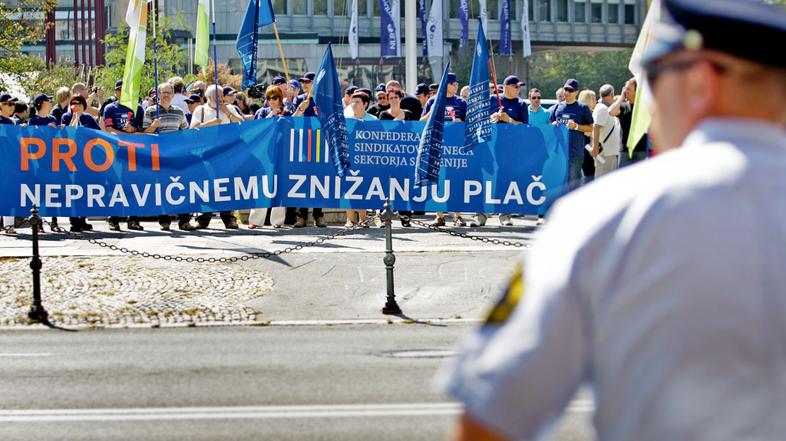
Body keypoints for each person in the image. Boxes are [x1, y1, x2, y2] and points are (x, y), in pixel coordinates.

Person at [439, 1, 786, 441]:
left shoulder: (603, 217)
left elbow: (491, 417)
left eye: (651, 82)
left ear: (700, 83)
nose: (647, 105)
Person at [141, 83, 197, 231]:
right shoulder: (150, 111)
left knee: (183, 186)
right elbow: (144, 134)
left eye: (169, 92)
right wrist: (153, 125)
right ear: (158, 94)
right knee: (162, 187)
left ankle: (184, 220)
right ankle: (164, 220)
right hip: (158, 156)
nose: (166, 95)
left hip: (176, 156)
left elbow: (186, 132)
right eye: (163, 92)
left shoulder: (179, 112)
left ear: (173, 94)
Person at [189, 85, 242, 229]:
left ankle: (228, 217)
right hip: (206, 152)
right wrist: (212, 123)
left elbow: (243, 123)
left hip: (226, 152)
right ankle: (203, 218)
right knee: (206, 185)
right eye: (216, 97)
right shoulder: (200, 110)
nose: (219, 99)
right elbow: (193, 129)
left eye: (220, 96)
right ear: (208, 97)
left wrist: (228, 113)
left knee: (226, 185)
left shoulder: (229, 108)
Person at [421, 73, 468, 227]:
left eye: (457, 84)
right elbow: (421, 122)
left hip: (456, 149)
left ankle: (458, 216)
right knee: (438, 181)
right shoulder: (433, 101)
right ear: (447, 84)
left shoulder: (461, 102)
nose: (456, 86)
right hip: (437, 147)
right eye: (454, 84)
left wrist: (460, 122)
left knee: (456, 181)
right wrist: (433, 112)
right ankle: (439, 215)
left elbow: (470, 125)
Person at [103, 80, 146, 231]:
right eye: (119, 90)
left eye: (125, 89)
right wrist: (125, 134)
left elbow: (142, 129)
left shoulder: (138, 108)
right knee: (115, 184)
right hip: (115, 151)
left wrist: (133, 130)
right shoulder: (109, 108)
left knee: (133, 185)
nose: (122, 92)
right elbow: (108, 129)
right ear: (116, 92)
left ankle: (133, 218)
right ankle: (113, 219)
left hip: (134, 152)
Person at [548, 79, 593, 191]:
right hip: (559, 153)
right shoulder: (558, 107)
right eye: (565, 89)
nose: (567, 92)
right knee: (558, 184)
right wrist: (553, 124)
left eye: (570, 90)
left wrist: (576, 126)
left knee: (573, 184)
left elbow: (591, 128)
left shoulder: (582, 108)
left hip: (575, 152)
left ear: (576, 92)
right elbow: (550, 123)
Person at [610, 77, 649, 167]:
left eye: (628, 89)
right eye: (625, 88)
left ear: (637, 91)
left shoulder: (645, 106)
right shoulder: (623, 106)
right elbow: (611, 112)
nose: (625, 90)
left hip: (641, 149)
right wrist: (621, 98)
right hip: (625, 150)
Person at [592, 84, 621, 177]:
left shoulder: (603, 107)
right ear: (612, 94)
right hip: (605, 152)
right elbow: (596, 127)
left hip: (608, 151)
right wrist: (595, 147)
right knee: (604, 180)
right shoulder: (602, 108)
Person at [0, 93, 19, 233]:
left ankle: (8, 225)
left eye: (14, 104)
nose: (13, 107)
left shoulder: (13, 122)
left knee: (8, 192)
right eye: (9, 104)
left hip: (8, 163)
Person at [577, 89, 597, 184]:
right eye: (593, 98)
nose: (596, 101)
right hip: (585, 149)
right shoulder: (587, 114)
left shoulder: (579, 113)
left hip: (581, 148)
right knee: (589, 176)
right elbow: (588, 132)